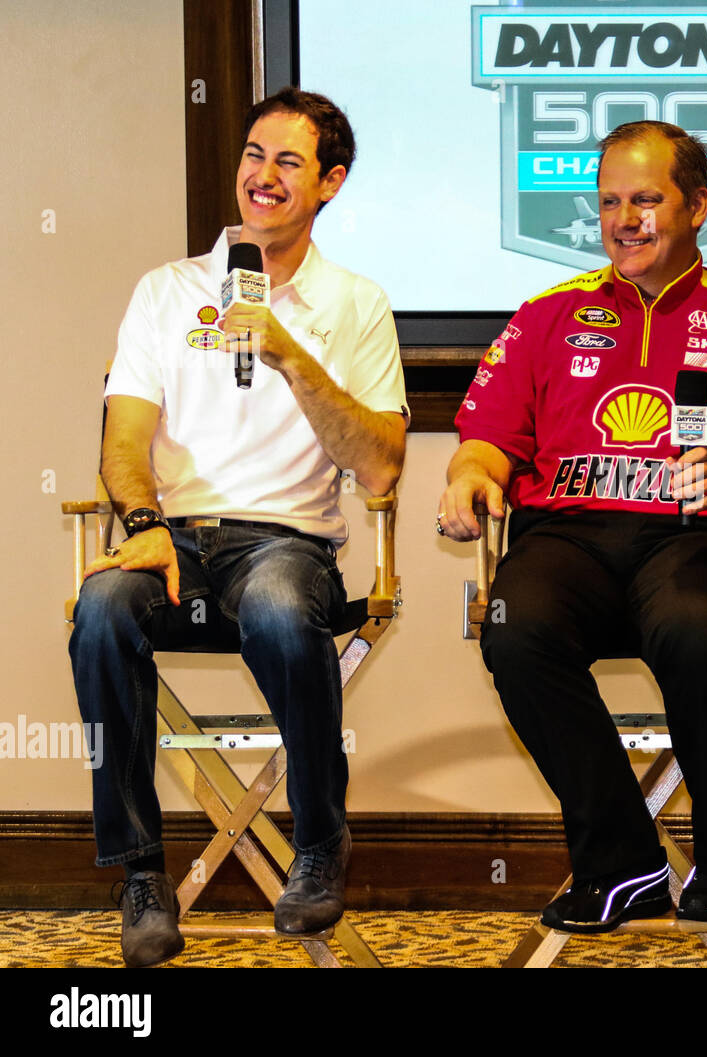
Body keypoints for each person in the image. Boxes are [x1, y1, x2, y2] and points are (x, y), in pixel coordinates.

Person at [440, 121, 707, 932]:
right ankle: (623, 861)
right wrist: (468, 476)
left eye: (647, 199)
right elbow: (486, 437)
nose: (626, 219)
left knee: (694, 630)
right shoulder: (549, 313)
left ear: (697, 205)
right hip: (568, 538)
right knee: (515, 631)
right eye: (611, 202)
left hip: (700, 538)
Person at [69, 88, 408, 967]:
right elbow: (126, 436)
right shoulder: (167, 290)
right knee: (102, 608)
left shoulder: (357, 302)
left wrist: (288, 350)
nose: (262, 176)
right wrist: (142, 521)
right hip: (172, 533)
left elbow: (378, 465)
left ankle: (319, 844)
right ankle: (141, 872)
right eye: (256, 155)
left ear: (330, 183)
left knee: (281, 605)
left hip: (284, 539)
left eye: (289, 162)